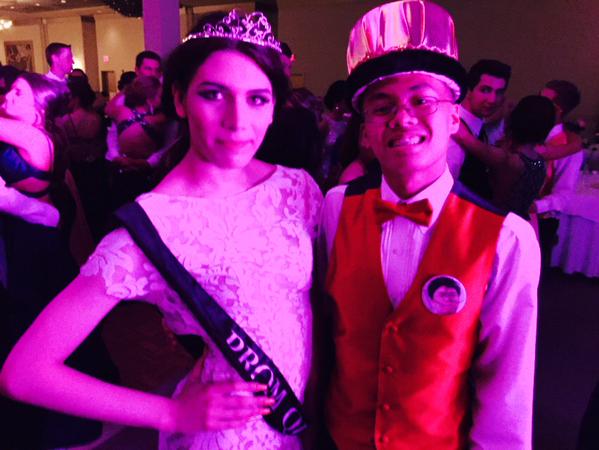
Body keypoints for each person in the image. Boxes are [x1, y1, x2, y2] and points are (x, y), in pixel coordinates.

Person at [1, 9, 322, 450]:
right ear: (178, 99)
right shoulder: (148, 229)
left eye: (257, 99)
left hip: (307, 416)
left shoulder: (297, 188)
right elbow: (25, 373)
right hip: (229, 434)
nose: (237, 121)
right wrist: (171, 412)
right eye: (213, 94)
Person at [319, 1, 539, 448]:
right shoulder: (336, 208)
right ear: (366, 130)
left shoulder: (507, 239)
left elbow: (507, 389)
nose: (402, 117)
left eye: (423, 100)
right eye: (382, 108)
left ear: (455, 118)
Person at [453, 95, 554, 219]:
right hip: (520, 224)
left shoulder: (507, 159)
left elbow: (464, 137)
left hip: (494, 223)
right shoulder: (539, 162)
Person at [447, 59, 512, 199]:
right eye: (485, 90)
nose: (493, 99)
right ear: (469, 90)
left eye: (499, 92)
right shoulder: (453, 131)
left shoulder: (477, 127)